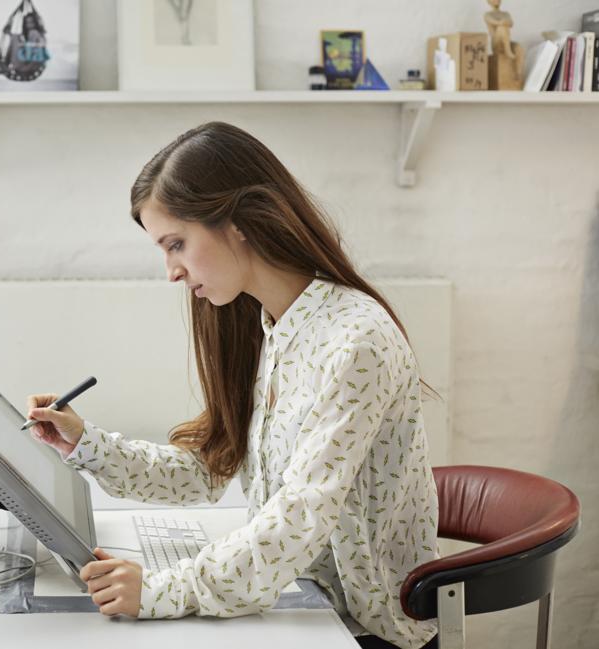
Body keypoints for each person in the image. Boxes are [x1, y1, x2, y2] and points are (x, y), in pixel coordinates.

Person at [26, 122, 439, 649]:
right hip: (299, 604)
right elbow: (210, 472)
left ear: (239, 221)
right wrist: (87, 444)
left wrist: (158, 591)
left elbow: (299, 520)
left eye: (176, 244)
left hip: (362, 630)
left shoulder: (354, 341)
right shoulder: (271, 326)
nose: (171, 271)